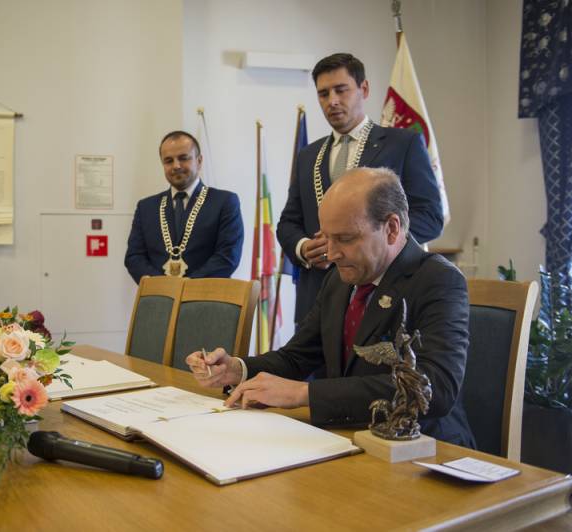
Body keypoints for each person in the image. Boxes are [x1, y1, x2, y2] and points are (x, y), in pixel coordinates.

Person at [187, 167, 474, 447]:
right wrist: (237, 369)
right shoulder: (339, 280)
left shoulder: (438, 280)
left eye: (345, 239)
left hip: (423, 449)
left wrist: (305, 393)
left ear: (391, 228)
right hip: (347, 438)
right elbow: (297, 357)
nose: (332, 254)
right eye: (327, 237)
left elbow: (434, 387)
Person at [278, 53, 444, 325]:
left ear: (363, 89)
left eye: (341, 90)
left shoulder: (403, 144)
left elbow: (430, 217)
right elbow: (288, 223)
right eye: (323, 94)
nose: (332, 101)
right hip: (317, 301)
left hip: (384, 295)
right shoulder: (307, 155)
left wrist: (369, 245)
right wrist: (303, 247)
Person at [125, 131, 243, 282]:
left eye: (183, 158)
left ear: (199, 161)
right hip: (158, 295)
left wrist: (187, 287)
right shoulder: (146, 207)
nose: (176, 166)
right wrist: (163, 286)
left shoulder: (224, 202)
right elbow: (134, 257)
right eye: (168, 161)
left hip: (206, 294)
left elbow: (227, 257)